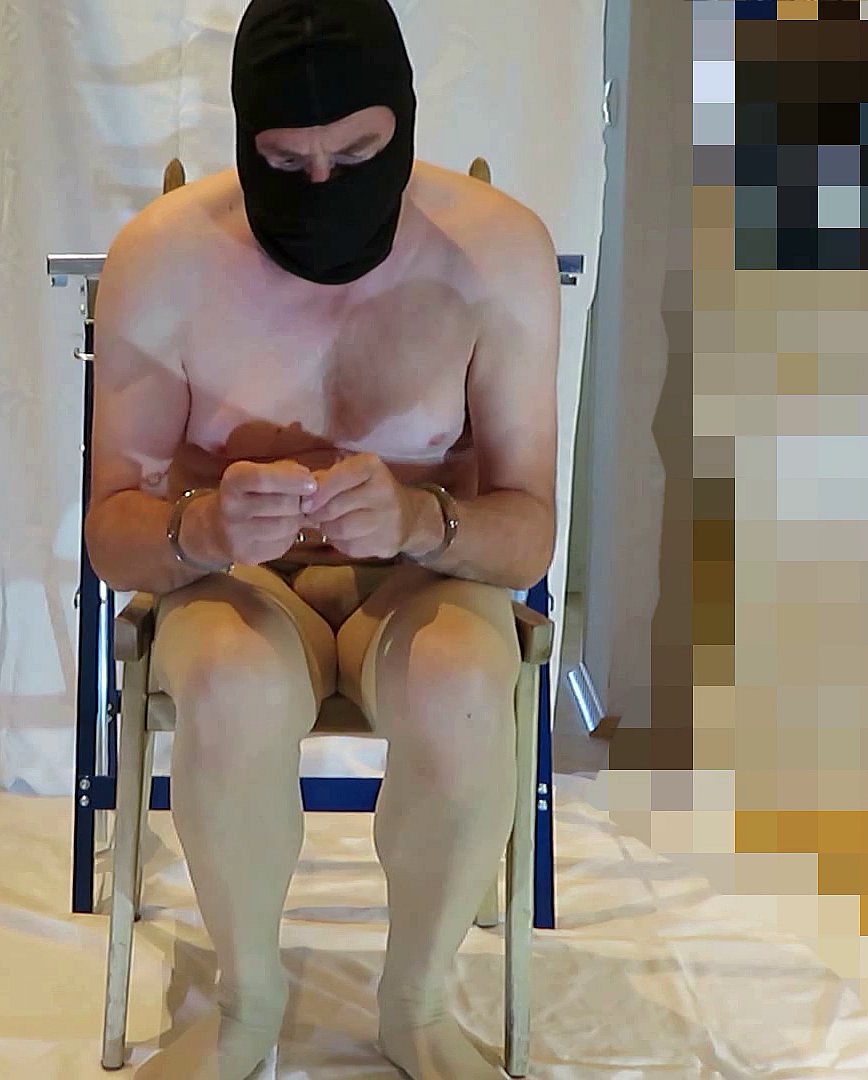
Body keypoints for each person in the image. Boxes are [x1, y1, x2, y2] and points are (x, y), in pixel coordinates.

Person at [85, 1, 560, 1077]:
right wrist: (200, 526)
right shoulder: (164, 256)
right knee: (227, 682)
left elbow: (528, 533)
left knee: (461, 681)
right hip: (240, 580)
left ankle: (417, 1003)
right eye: (284, 162)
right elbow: (114, 533)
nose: (321, 185)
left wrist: (423, 519)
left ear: (403, 120)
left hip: (425, 577)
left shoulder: (496, 250)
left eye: (355, 155)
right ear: (244, 137)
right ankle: (248, 1002)